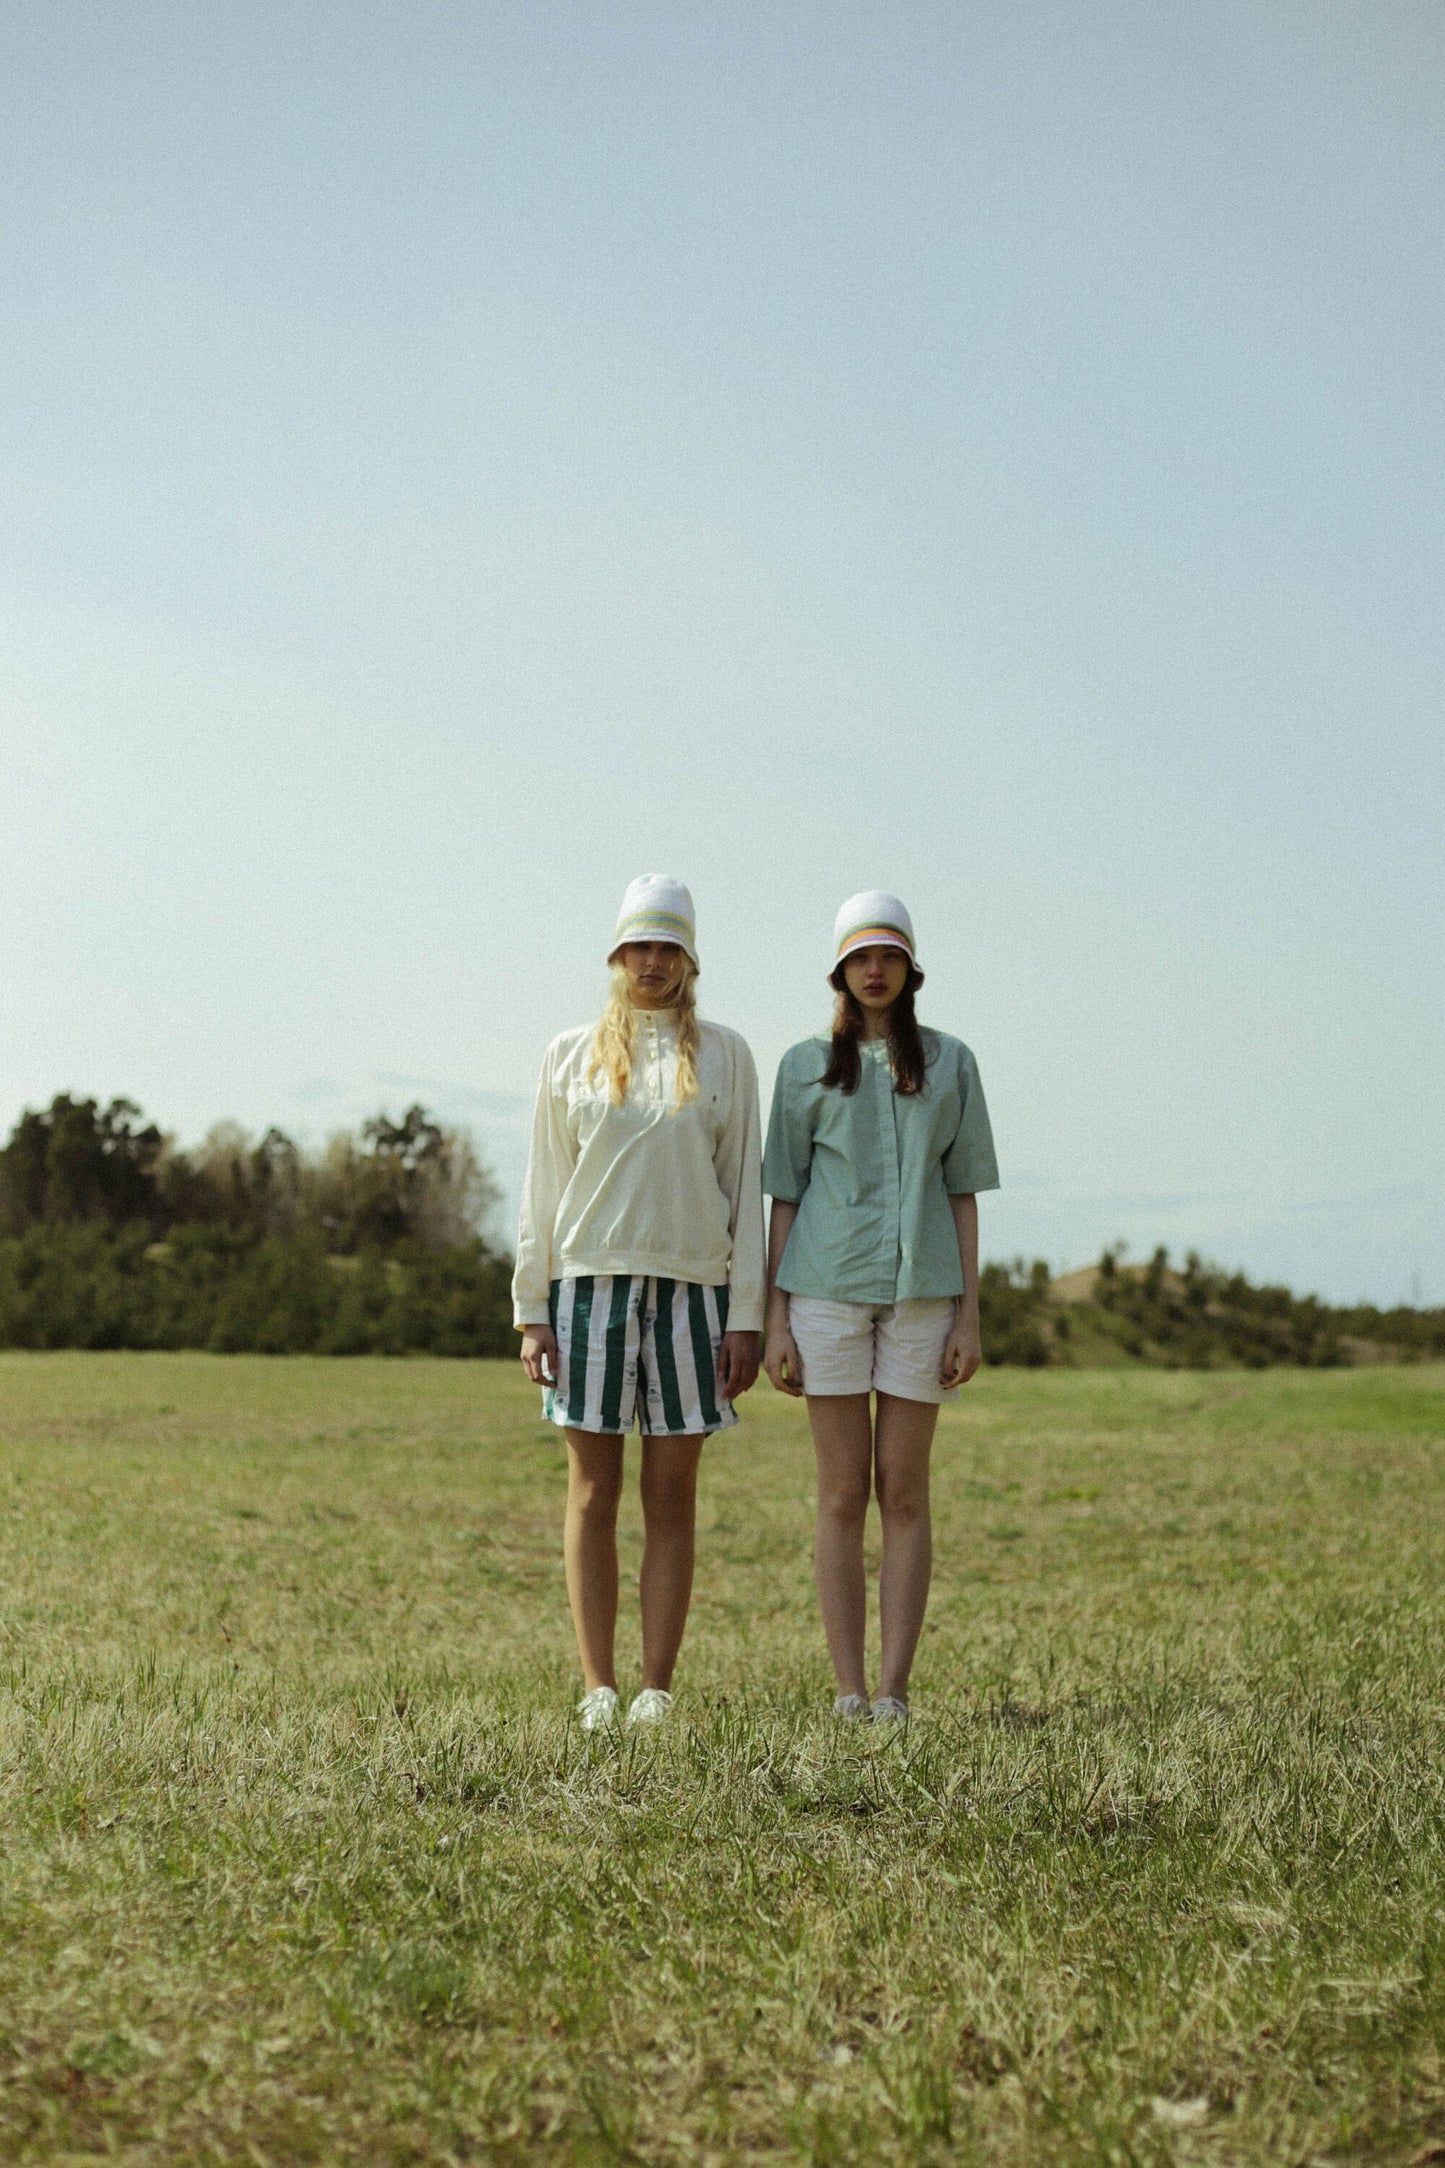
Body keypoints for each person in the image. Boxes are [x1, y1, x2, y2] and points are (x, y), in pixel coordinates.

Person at [514, 875, 763, 1730]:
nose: (651, 962)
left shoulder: (726, 1055)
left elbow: (745, 1192)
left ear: (688, 959)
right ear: (615, 956)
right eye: (638, 947)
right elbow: (542, 1188)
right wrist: (531, 1306)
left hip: (694, 1293)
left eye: (668, 948)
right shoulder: (567, 1054)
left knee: (671, 1497)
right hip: (586, 1288)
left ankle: (656, 1688)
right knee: (592, 1492)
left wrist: (746, 1317)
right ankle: (599, 1687)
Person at [762, 891, 998, 1723]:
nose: (874, 970)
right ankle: (847, 1691)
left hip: (922, 1297)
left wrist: (969, 1316)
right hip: (823, 1293)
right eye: (860, 957)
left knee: (903, 1491)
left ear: (909, 968)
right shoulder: (800, 1067)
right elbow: (782, 1199)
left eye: (888, 957)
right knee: (838, 1495)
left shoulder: (952, 1061)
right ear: (839, 969)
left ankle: (895, 1691)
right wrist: (775, 1318)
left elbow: (962, 1192)